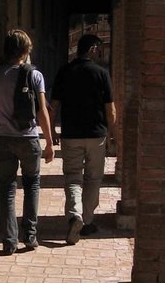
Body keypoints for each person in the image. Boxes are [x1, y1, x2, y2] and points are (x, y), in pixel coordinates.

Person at [0, 29, 54, 254]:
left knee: (7, 188)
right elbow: (42, 111)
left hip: (3, 139)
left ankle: (9, 240)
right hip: (29, 138)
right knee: (32, 185)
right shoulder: (35, 75)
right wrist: (50, 142)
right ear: (25, 51)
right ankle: (30, 236)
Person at [49, 34, 116, 244]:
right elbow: (110, 109)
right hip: (96, 135)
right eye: (99, 48)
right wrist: (112, 135)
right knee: (94, 178)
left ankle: (75, 214)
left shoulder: (65, 71)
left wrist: (51, 131)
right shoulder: (102, 73)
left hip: (71, 135)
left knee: (73, 178)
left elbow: (53, 106)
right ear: (93, 49)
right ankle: (86, 221)